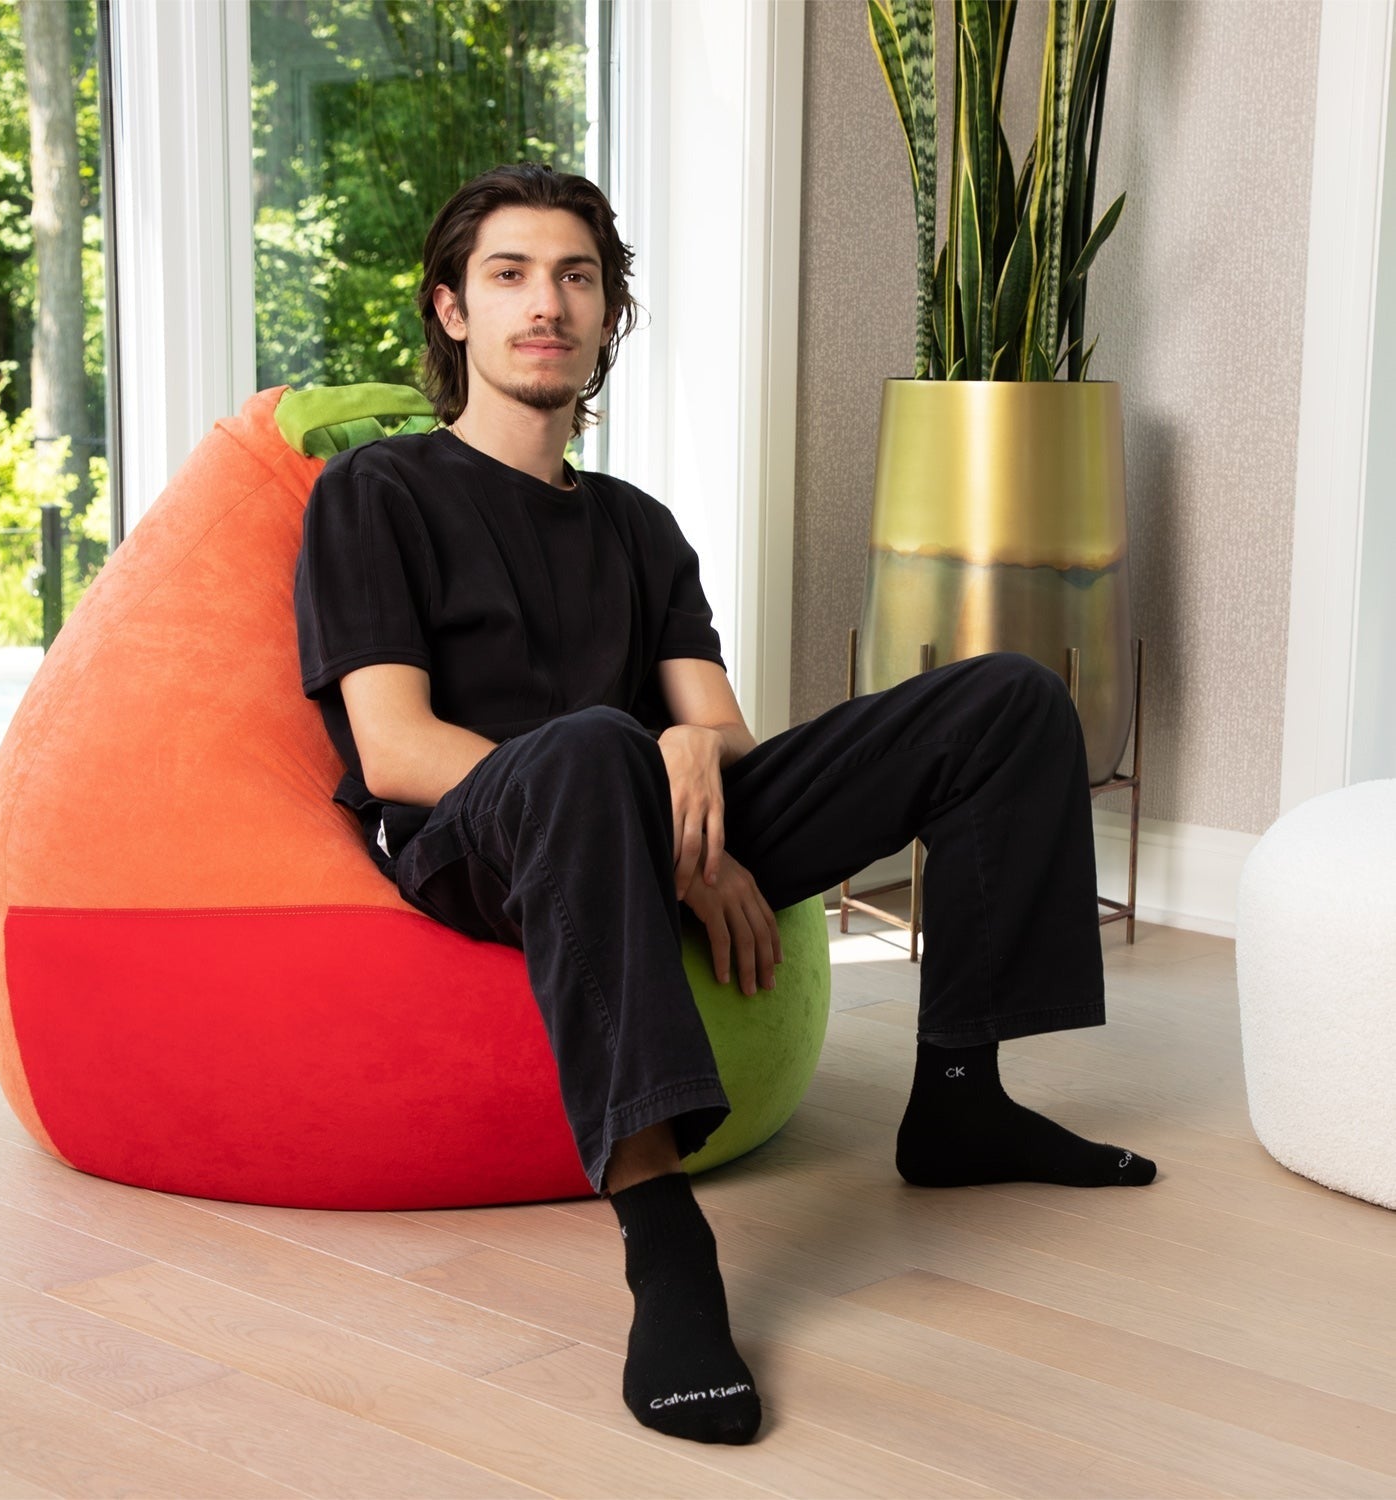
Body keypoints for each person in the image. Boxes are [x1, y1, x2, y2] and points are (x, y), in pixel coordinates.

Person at [293, 161, 1156, 1448]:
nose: (549, 304)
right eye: (511, 275)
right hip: (485, 839)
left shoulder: (639, 525)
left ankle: (962, 1092)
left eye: (577, 277)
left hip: (637, 800)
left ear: (607, 314)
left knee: (1010, 697)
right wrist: (655, 778)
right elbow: (399, 746)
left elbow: (722, 734)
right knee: (594, 745)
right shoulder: (377, 493)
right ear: (453, 312)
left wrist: (685, 778)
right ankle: (666, 1244)